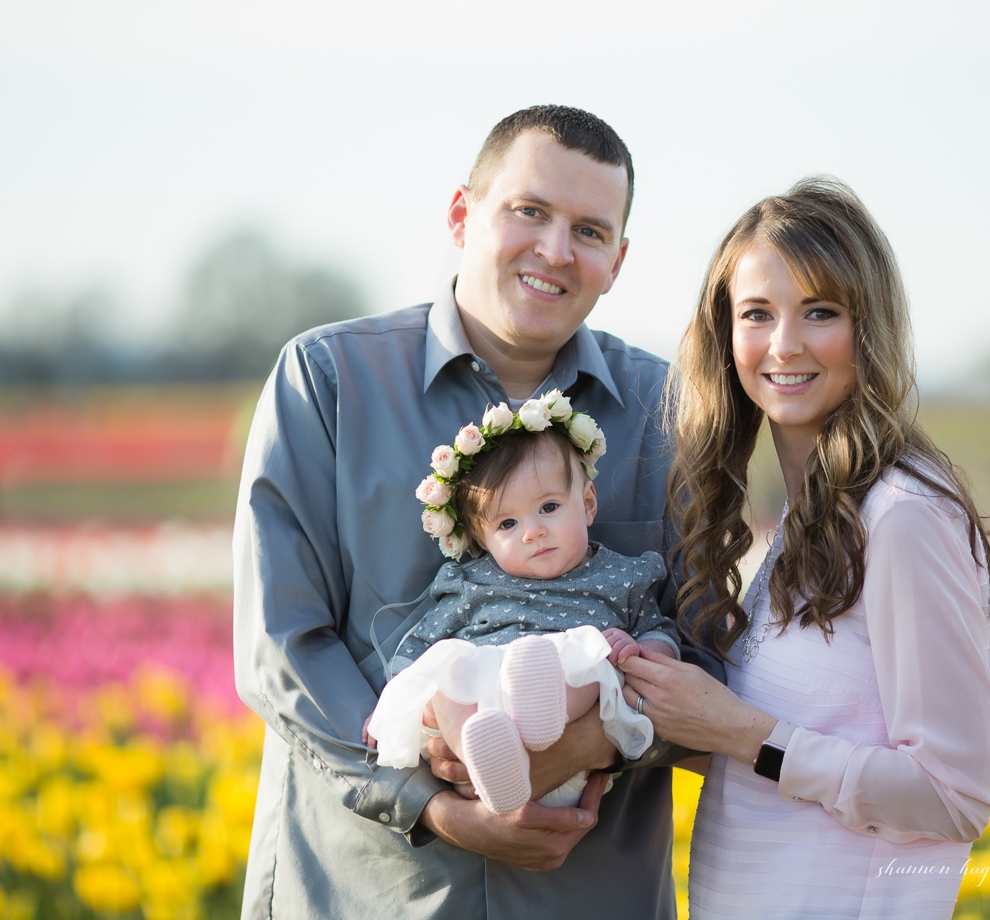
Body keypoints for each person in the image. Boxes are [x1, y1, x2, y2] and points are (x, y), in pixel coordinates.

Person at [233, 105, 718, 917]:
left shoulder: (671, 412)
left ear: (619, 260)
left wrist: (580, 739)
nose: (555, 251)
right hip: (365, 889)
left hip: (589, 893)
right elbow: (283, 644)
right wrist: (427, 799)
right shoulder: (326, 381)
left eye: (590, 230)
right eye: (529, 211)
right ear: (463, 215)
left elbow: (705, 651)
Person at [613, 177, 990, 917]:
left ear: (867, 327)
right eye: (757, 314)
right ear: (725, 334)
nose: (785, 345)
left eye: (819, 312)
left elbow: (953, 796)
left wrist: (741, 733)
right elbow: (782, 760)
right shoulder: (805, 518)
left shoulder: (902, 516)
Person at [368, 398, 679, 815]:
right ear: (480, 538)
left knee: (590, 658)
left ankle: (536, 722)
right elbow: (420, 643)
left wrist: (636, 649)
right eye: (507, 524)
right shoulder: (473, 581)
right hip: (483, 723)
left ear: (587, 504)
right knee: (441, 669)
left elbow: (660, 632)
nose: (533, 532)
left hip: (567, 740)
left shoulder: (618, 575)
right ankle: (485, 755)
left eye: (549, 508)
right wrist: (394, 702)